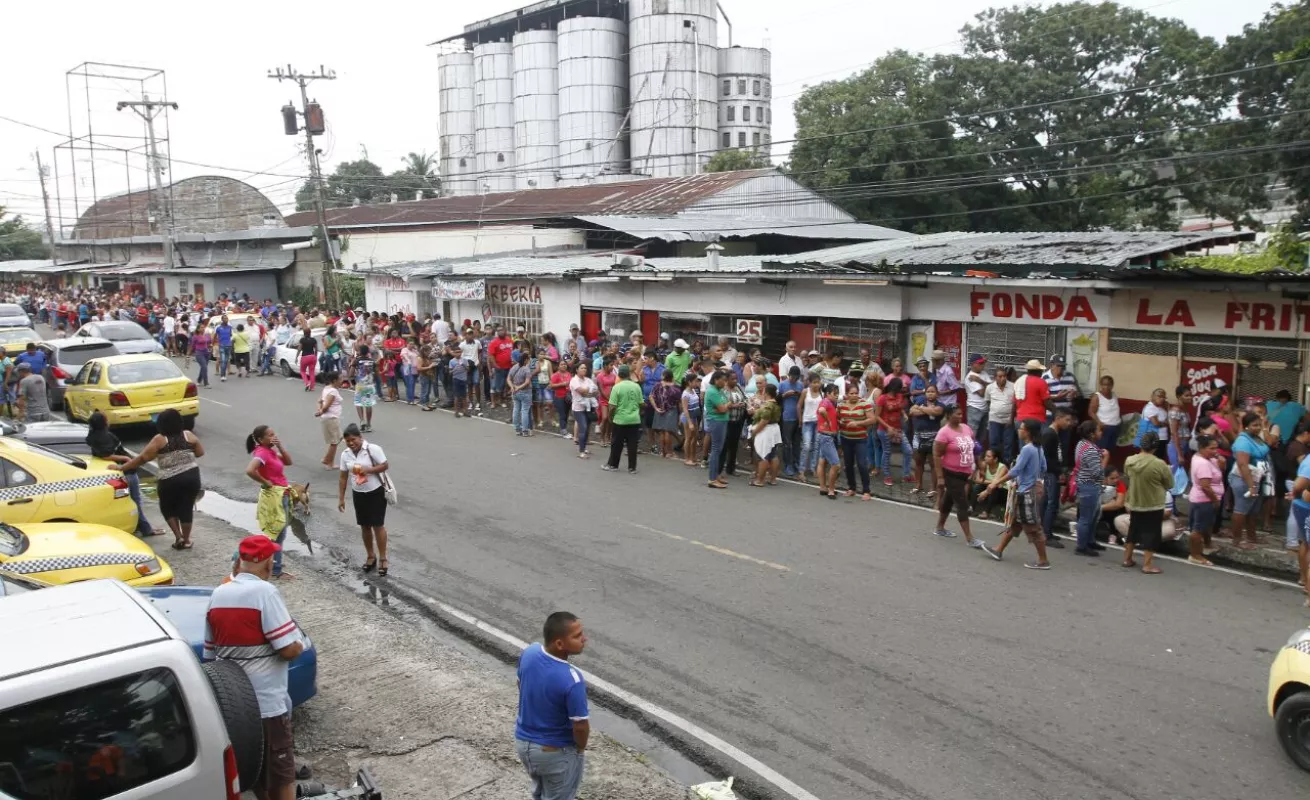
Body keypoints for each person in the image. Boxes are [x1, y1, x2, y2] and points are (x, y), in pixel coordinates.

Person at [204, 535, 305, 800]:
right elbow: (287, 649)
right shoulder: (265, 593)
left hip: (236, 709)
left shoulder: (218, 594)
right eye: (272, 557)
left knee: (257, 773)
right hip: (267, 703)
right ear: (264, 563)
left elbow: (210, 654)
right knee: (282, 776)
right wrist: (299, 645)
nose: (274, 562)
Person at [515, 611, 589, 800]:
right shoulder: (572, 679)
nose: (584, 639)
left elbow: (520, 684)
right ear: (559, 644)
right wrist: (580, 750)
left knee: (539, 794)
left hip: (524, 746)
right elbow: (580, 726)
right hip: (555, 753)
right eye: (577, 636)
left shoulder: (530, 652)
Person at [115, 409, 204, 551]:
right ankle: (187, 540)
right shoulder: (188, 435)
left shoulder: (159, 439)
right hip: (191, 476)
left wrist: (122, 468)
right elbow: (200, 452)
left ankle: (178, 537)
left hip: (169, 479)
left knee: (167, 507)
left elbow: (142, 458)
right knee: (186, 507)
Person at [984, 419, 1051, 569]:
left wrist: (996, 482)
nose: (1019, 431)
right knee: (1016, 523)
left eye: (1021, 428)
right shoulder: (1038, 448)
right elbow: (1044, 467)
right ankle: (998, 550)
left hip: (1027, 491)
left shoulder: (1028, 449)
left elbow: (1015, 471)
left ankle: (1043, 560)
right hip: (1033, 488)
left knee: (1034, 527)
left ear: (1027, 432)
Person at [86, 410, 159, 538]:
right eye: (106, 419)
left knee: (127, 501)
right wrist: (125, 459)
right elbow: (106, 454)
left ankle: (137, 525)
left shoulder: (91, 437)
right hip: (127, 473)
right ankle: (146, 529)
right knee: (136, 500)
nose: (108, 420)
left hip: (116, 476)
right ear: (103, 423)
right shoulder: (106, 437)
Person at [932, 404, 991, 552]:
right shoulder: (943, 433)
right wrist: (940, 477)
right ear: (948, 415)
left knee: (949, 499)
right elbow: (937, 455)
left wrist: (979, 466)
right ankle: (970, 538)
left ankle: (940, 527)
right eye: (957, 414)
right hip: (951, 472)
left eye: (961, 413)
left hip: (966, 472)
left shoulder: (966, 428)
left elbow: (975, 448)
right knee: (962, 503)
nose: (960, 416)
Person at [337, 424, 390, 576]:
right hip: (358, 493)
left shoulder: (372, 449)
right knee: (364, 526)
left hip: (375, 492)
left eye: (353, 439)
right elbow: (343, 477)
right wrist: (341, 498)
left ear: (361, 437)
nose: (351, 443)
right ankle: (370, 556)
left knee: (377, 526)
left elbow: (385, 465)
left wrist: (369, 470)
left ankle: (383, 558)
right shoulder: (345, 454)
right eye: (347, 441)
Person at [245, 425, 294, 580]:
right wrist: (266, 481)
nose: (274, 436)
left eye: (274, 433)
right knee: (278, 532)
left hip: (282, 493)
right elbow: (250, 470)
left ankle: (272, 562)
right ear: (260, 439)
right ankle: (275, 568)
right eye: (270, 435)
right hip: (275, 496)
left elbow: (288, 462)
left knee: (278, 531)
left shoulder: (270, 451)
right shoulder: (261, 453)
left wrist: (280, 446)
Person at [1123, 431, 1175, 574]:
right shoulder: (1159, 464)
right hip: (1153, 503)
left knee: (1133, 530)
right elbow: (1170, 483)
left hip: (1135, 500)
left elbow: (1127, 475)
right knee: (1152, 533)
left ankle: (1127, 558)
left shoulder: (1129, 460)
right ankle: (1147, 565)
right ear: (1155, 447)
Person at [1230, 411, 1271, 550]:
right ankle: (1237, 539)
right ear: (1246, 426)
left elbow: (1269, 444)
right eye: (1254, 425)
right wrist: (1251, 486)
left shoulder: (1255, 438)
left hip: (1258, 477)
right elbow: (1243, 465)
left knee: (1253, 510)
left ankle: (1251, 536)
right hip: (1244, 479)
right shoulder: (1243, 441)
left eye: (1259, 425)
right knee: (1241, 510)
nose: (1258, 427)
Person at [1039, 409, 1074, 550]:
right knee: (1052, 503)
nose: (1069, 423)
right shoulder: (1049, 434)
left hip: (1053, 472)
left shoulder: (1054, 433)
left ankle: (1044, 531)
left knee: (1047, 501)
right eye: (1067, 420)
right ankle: (1046, 534)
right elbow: (1046, 458)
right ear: (1057, 418)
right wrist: (1058, 471)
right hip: (1050, 473)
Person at [1189, 434, 1225, 566]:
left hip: (1205, 499)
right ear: (1202, 448)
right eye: (1212, 448)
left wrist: (1221, 461)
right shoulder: (1203, 463)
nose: (1215, 451)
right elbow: (1205, 486)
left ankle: (1206, 546)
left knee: (1206, 525)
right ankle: (1195, 555)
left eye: (1216, 448)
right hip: (1203, 501)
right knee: (1198, 529)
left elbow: (1220, 468)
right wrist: (1215, 500)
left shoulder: (1205, 458)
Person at [1071, 420, 1106, 556]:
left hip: (1085, 483)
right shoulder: (1091, 450)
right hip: (1089, 486)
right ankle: (1081, 546)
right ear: (1092, 434)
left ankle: (1090, 540)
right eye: (1098, 430)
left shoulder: (1082, 444)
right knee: (1086, 517)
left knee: (1093, 515)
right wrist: (1105, 459)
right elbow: (1098, 473)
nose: (1101, 433)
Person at [604, 365, 643, 474]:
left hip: (620, 419)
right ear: (629, 374)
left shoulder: (617, 387)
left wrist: (611, 417)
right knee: (632, 444)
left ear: (619, 374)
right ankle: (632, 467)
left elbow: (612, 406)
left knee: (617, 443)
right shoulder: (636, 386)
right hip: (634, 419)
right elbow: (641, 403)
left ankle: (613, 465)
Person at [876, 378, 914, 486]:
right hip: (884, 430)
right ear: (894, 387)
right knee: (887, 452)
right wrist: (887, 427)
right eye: (900, 387)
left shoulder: (899, 396)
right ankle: (887, 475)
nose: (901, 390)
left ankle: (906, 475)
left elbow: (900, 407)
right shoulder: (882, 399)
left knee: (908, 451)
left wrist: (904, 414)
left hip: (898, 429)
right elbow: (877, 416)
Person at [909, 384, 944, 497]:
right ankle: (918, 485)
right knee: (918, 462)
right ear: (925, 393)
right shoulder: (920, 402)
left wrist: (920, 408)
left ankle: (933, 488)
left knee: (933, 464)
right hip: (918, 436)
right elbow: (911, 412)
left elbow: (936, 412)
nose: (930, 393)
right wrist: (928, 410)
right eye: (928, 391)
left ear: (937, 394)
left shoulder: (940, 405)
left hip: (933, 438)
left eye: (933, 391)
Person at [813, 382, 842, 500]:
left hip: (824, 435)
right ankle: (831, 489)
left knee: (822, 462)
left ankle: (823, 487)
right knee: (836, 464)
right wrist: (829, 421)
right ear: (827, 393)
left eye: (837, 394)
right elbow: (821, 410)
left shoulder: (830, 403)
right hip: (826, 436)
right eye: (834, 394)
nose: (836, 396)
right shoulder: (826, 402)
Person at [984, 367, 1017, 463]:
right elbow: (988, 402)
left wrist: (1011, 419)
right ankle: (994, 463)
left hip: (1008, 420)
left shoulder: (1013, 386)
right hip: (994, 420)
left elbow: (1015, 404)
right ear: (995, 378)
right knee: (994, 442)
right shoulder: (990, 388)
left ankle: (1007, 464)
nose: (1003, 378)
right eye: (1000, 376)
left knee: (1008, 443)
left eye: (1004, 376)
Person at [777, 366, 805, 477]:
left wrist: (799, 394)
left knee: (797, 442)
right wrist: (785, 395)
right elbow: (777, 399)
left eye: (796, 377)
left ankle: (796, 463)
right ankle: (788, 464)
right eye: (792, 377)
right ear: (789, 375)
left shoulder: (800, 385)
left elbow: (803, 400)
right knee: (787, 443)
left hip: (798, 416)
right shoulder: (782, 384)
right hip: (786, 417)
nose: (794, 379)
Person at [650, 368, 681, 459]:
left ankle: (663, 451)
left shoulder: (657, 385)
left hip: (660, 410)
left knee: (662, 432)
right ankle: (669, 452)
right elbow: (679, 402)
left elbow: (651, 396)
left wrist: (656, 408)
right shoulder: (676, 388)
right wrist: (680, 413)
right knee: (668, 432)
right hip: (671, 411)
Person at [315, 373, 344, 469]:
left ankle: (329, 462)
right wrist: (321, 411)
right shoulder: (333, 392)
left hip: (330, 418)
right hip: (331, 418)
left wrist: (320, 410)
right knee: (334, 442)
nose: (342, 381)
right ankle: (327, 460)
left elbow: (320, 401)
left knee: (338, 438)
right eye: (340, 379)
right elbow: (326, 406)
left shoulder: (326, 388)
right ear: (334, 381)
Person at [798, 373, 824, 481]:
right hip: (807, 422)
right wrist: (800, 419)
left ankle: (813, 468)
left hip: (818, 422)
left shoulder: (822, 393)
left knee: (816, 446)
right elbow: (799, 405)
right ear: (809, 382)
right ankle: (801, 470)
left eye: (818, 382)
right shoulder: (805, 391)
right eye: (814, 382)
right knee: (807, 445)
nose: (816, 385)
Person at [570, 362, 599, 457]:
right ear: (577, 369)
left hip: (589, 407)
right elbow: (582, 391)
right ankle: (581, 451)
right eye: (582, 368)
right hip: (578, 409)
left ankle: (584, 447)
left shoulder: (588, 380)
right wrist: (588, 391)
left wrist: (588, 392)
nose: (584, 370)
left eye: (585, 368)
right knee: (583, 427)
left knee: (587, 429)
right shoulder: (574, 380)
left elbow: (596, 392)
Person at [1014, 359, 1052, 429]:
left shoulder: (1019, 382)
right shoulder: (1041, 382)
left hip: (1020, 420)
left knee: (1024, 439)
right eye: (1041, 370)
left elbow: (1014, 402)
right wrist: (1057, 412)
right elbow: (1047, 402)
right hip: (1036, 420)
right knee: (1037, 439)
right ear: (1038, 371)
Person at [971, 448, 1009, 520]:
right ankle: (971, 508)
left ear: (995, 459)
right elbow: (977, 480)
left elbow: (996, 483)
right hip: (991, 488)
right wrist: (993, 482)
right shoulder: (984, 465)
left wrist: (993, 482)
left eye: (988, 456)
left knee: (994, 488)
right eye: (985, 456)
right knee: (977, 487)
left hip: (1002, 492)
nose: (985, 458)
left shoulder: (1002, 467)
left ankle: (986, 512)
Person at [1088, 375, 1121, 449]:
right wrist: (1099, 423)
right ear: (1100, 385)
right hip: (1104, 428)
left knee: (1110, 450)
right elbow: (1091, 412)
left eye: (1108, 385)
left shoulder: (1114, 395)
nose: (1106, 387)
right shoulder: (1097, 397)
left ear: (1112, 385)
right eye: (1104, 384)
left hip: (1115, 427)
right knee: (1101, 450)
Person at [510, 351, 535, 436]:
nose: (529, 360)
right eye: (528, 359)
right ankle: (525, 430)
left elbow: (508, 378)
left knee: (516, 409)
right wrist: (519, 387)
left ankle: (517, 429)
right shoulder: (526, 369)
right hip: (525, 392)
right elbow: (527, 382)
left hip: (515, 392)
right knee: (524, 411)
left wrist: (513, 387)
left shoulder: (514, 367)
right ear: (525, 360)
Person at [964, 355, 990, 436]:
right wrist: (986, 384)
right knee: (972, 436)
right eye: (980, 363)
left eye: (983, 363)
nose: (983, 365)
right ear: (973, 364)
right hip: (974, 409)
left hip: (985, 409)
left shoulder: (984, 373)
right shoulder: (970, 377)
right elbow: (982, 393)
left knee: (982, 436)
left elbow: (993, 387)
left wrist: (980, 381)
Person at [549, 361, 573, 438]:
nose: (563, 366)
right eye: (562, 364)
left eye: (565, 364)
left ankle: (564, 429)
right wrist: (561, 384)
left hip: (568, 396)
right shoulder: (555, 375)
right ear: (558, 366)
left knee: (566, 414)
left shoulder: (569, 374)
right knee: (562, 414)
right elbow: (551, 385)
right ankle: (563, 431)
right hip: (559, 397)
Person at [297, 327, 318, 391]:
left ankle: (307, 383)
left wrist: (296, 356)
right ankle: (312, 387)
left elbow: (299, 349)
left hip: (305, 357)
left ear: (304, 333)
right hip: (312, 356)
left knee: (302, 371)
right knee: (312, 372)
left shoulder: (302, 340)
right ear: (310, 333)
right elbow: (316, 349)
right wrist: (315, 356)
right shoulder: (314, 340)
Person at [215, 315, 234, 381]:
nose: (226, 319)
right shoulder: (218, 328)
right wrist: (215, 343)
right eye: (225, 318)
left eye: (227, 318)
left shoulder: (230, 327)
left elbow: (231, 335)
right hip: (222, 346)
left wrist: (231, 341)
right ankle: (223, 375)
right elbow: (215, 336)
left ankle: (223, 373)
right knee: (223, 361)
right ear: (222, 320)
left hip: (228, 346)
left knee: (226, 361)